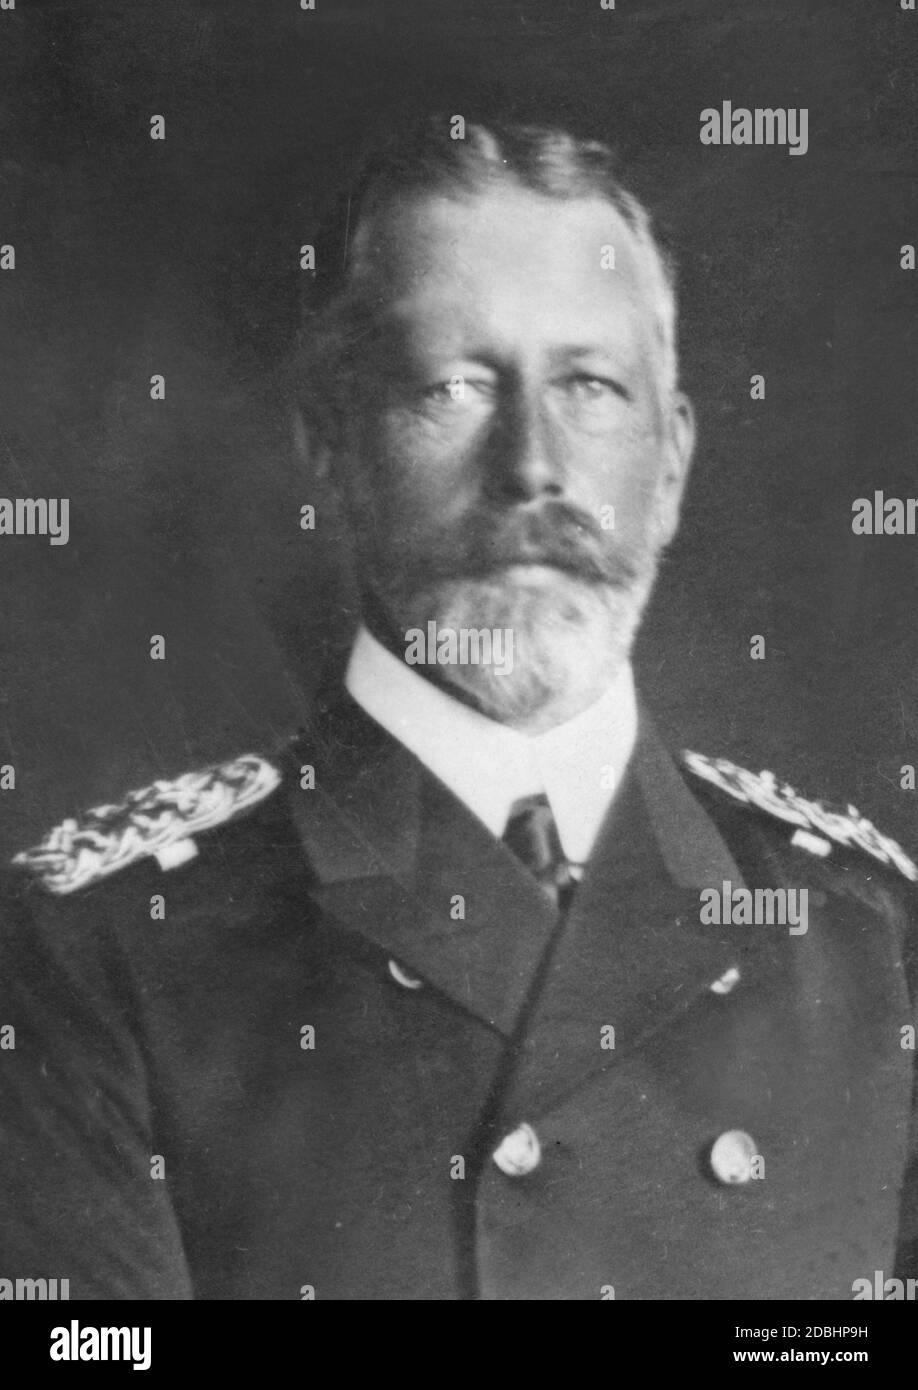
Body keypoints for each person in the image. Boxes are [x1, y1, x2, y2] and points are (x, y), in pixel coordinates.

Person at [2, 117, 916, 1301]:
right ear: (329, 448)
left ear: (673, 463)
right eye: (454, 386)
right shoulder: (94, 950)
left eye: (590, 386)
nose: (532, 463)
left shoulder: (871, 937)